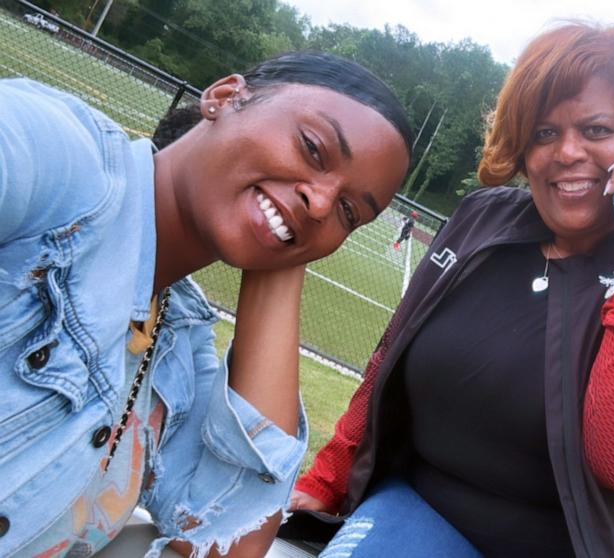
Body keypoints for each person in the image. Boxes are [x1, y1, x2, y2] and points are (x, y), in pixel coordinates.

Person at [289, 23, 614, 557]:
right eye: (545, 133)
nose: (567, 152)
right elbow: (390, 360)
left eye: (596, 130)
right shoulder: (482, 218)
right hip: (424, 512)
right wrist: (324, 482)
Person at [0, 51, 412, 557]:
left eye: (348, 213)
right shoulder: (61, 163)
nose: (322, 203)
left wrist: (283, 259)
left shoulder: (177, 349)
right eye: (312, 147)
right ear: (223, 97)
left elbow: (230, 543)